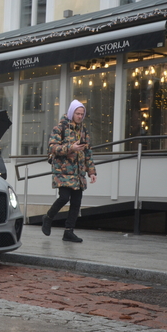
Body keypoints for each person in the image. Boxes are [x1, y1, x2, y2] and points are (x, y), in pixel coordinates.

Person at [41, 100, 97, 242]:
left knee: (76, 201)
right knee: (64, 197)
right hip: (63, 171)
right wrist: (71, 148)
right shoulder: (60, 128)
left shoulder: (83, 130)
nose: (80, 116)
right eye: (77, 113)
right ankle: (48, 217)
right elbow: (52, 148)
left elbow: (88, 152)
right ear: (71, 113)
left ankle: (69, 231)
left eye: (82, 114)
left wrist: (92, 172)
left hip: (78, 172)